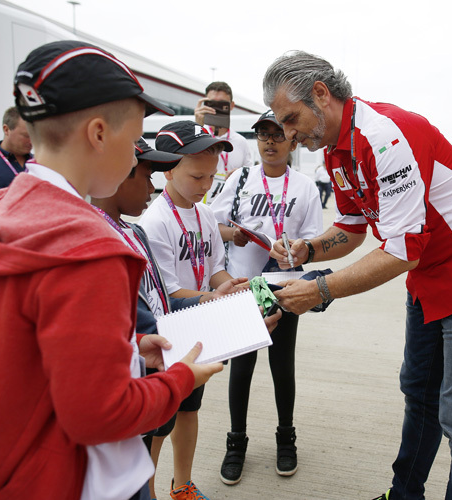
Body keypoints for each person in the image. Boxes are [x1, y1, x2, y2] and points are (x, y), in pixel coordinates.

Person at [0, 40, 224, 500]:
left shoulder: (13, 212)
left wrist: (128, 347)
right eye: (134, 143)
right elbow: (99, 415)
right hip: (68, 478)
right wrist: (180, 380)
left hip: (5, 464)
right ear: (96, 134)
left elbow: (33, 341)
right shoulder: (89, 248)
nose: (136, 159)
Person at [263, 51, 452, 500]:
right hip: (429, 278)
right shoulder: (336, 153)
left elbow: (403, 250)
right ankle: (404, 495)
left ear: (321, 95)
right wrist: (309, 249)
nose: (286, 134)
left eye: (290, 118)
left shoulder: (386, 136)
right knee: (419, 396)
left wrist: (321, 289)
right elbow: (352, 226)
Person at [90, 137, 281, 500]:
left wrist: (237, 303)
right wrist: (226, 312)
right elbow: (160, 310)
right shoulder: (135, 229)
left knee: (185, 411)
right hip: (150, 363)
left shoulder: (133, 232)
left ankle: (181, 486)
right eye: (148, 175)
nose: (153, 185)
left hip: (174, 343)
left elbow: (167, 301)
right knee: (153, 431)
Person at [211, 110, 323, 485]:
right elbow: (215, 225)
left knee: (282, 365)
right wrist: (235, 234)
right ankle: (236, 441)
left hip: (285, 284)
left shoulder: (305, 187)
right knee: (242, 367)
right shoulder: (240, 179)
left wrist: (295, 249)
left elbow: (313, 239)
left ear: (292, 141)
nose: (270, 142)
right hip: (244, 285)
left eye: (278, 135)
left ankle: (285, 438)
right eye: (264, 135)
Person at [138, 120, 235, 500]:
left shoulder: (205, 214)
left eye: (212, 177)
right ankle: (148, 492)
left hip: (199, 330)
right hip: (166, 335)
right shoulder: (154, 221)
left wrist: (232, 288)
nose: (206, 186)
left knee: (190, 410)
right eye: (198, 177)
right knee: (159, 423)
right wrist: (218, 300)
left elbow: (215, 270)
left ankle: (182, 486)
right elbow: (169, 292)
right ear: (168, 168)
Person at [193, 81, 253, 204]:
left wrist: (240, 174)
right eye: (212, 103)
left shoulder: (240, 142)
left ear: (231, 106)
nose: (216, 108)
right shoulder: (197, 135)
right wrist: (197, 126)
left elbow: (251, 177)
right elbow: (186, 165)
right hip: (200, 206)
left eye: (222, 104)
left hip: (230, 207)